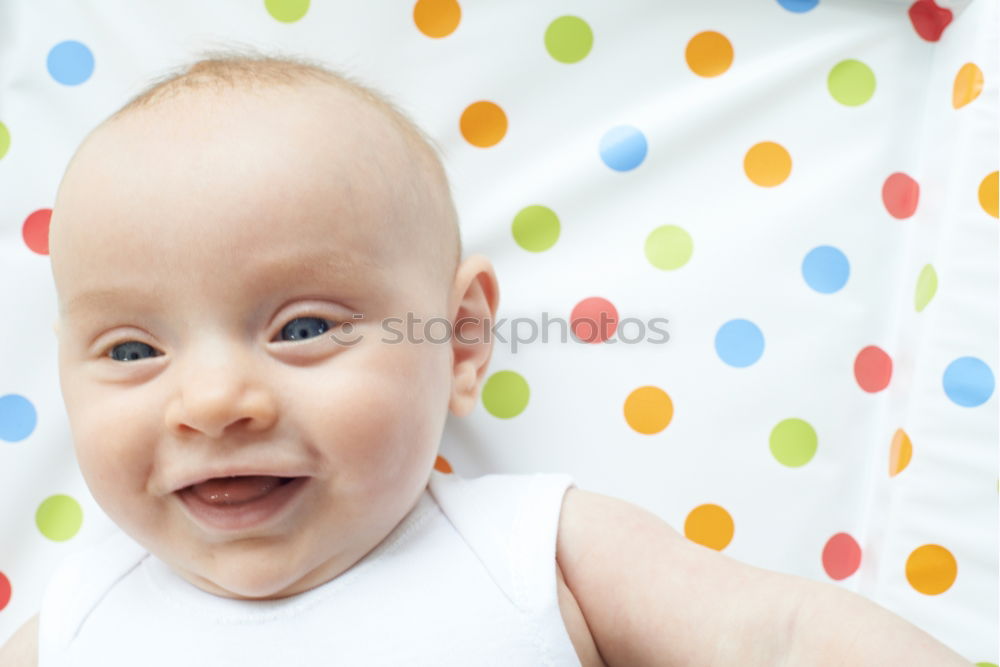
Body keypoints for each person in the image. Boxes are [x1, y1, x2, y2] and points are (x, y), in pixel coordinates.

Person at [0, 50, 971, 666]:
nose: (211, 401)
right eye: (132, 348)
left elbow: (783, 636)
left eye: (302, 328)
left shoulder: (535, 547)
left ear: (460, 337)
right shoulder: (74, 623)